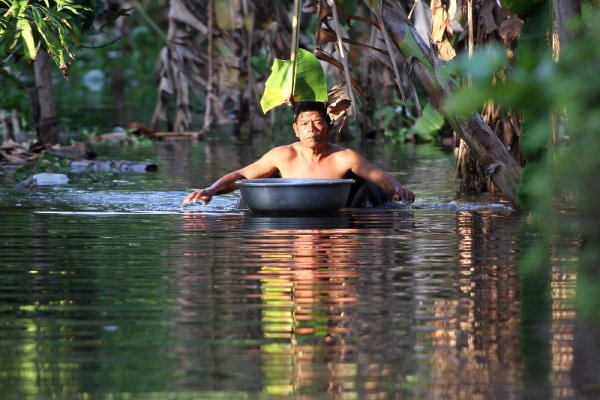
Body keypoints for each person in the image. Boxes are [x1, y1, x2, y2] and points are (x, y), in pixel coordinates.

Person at [182, 101, 415, 207]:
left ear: (329, 126)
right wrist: (211, 190)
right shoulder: (282, 155)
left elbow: (379, 176)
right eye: (304, 124)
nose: (311, 129)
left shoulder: (345, 157)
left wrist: (398, 190)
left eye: (317, 122)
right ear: (296, 129)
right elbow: (241, 175)